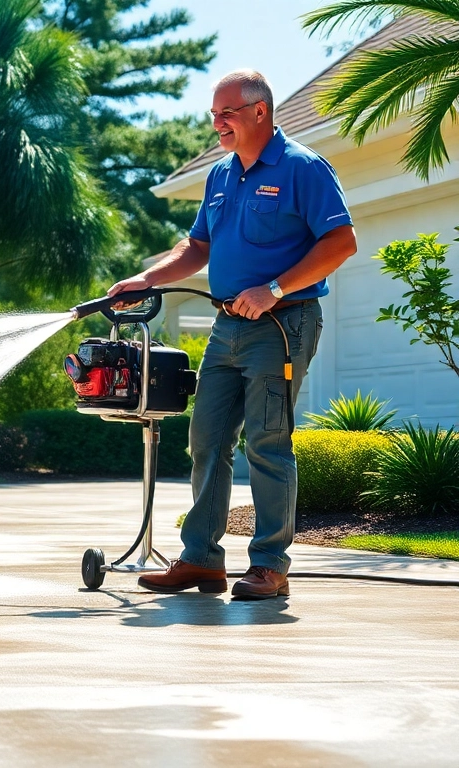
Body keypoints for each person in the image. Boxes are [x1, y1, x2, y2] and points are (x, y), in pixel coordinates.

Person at [110, 70, 357, 599]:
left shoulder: (302, 168)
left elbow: (341, 242)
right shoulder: (221, 175)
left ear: (260, 112)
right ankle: (201, 559)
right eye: (214, 115)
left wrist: (274, 287)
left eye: (228, 113)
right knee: (207, 440)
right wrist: (147, 278)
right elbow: (197, 247)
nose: (218, 123)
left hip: (282, 324)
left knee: (267, 442)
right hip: (227, 325)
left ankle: (270, 565)